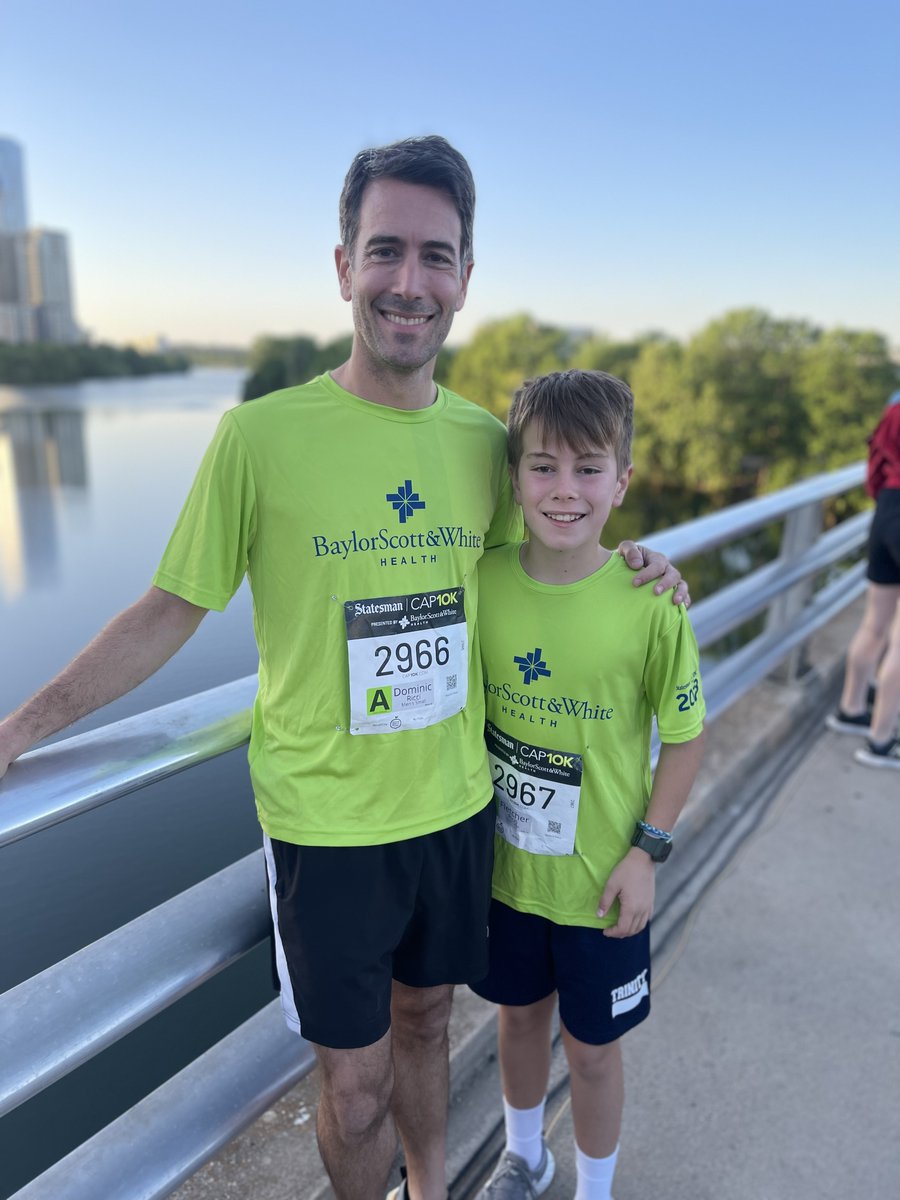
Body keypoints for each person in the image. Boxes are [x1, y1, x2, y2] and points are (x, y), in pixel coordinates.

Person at [0, 137, 688, 1200]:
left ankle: (429, 1188)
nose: (409, 282)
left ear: (464, 279)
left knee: (428, 1023)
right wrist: (21, 727)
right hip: (328, 829)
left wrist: (646, 565)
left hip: (462, 809)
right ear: (342, 267)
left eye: (436, 256)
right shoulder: (259, 437)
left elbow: (555, 553)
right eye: (386, 252)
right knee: (354, 1086)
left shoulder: (481, 443)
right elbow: (168, 608)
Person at [471, 369, 706, 1200]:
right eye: (542, 466)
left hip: (604, 885)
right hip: (506, 874)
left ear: (622, 482)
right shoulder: (483, 580)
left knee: (595, 1049)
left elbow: (684, 737)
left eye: (587, 468)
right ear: (514, 477)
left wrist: (648, 850)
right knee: (517, 1020)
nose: (563, 489)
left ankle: (594, 1190)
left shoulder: (650, 605)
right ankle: (524, 1155)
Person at [826, 390, 900, 769]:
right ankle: (882, 741)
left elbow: (875, 463)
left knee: (875, 623)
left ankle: (850, 708)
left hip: (887, 507)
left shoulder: (894, 404)